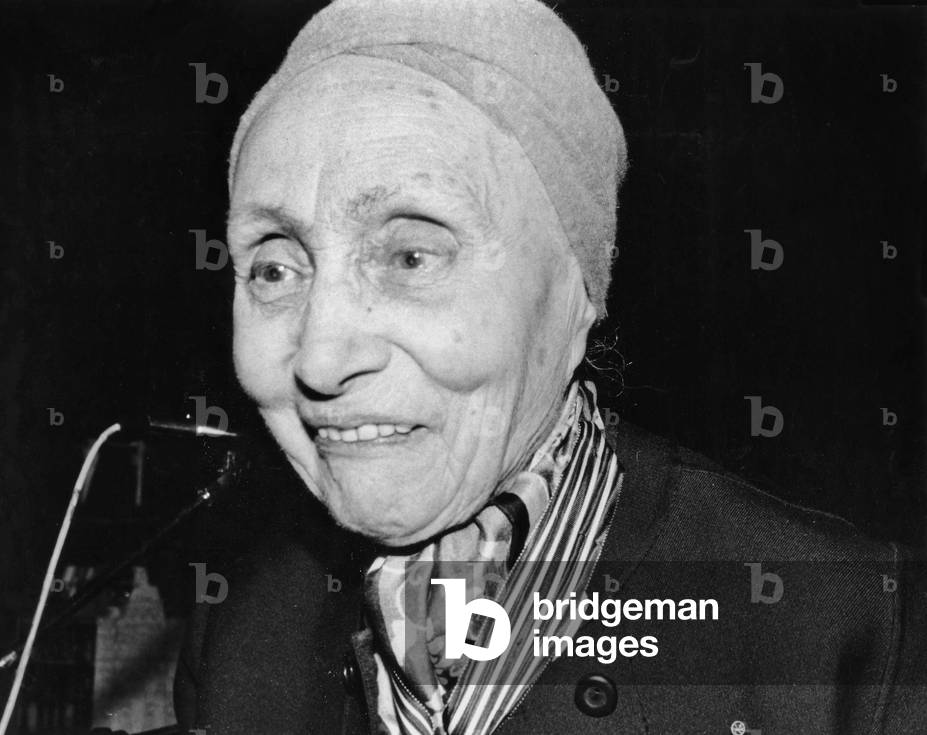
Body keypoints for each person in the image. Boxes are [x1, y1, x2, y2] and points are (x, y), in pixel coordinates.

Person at [174, 1, 927, 733]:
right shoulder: (244, 635)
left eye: (410, 255)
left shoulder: (851, 633)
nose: (320, 357)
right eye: (274, 270)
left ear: (577, 287)